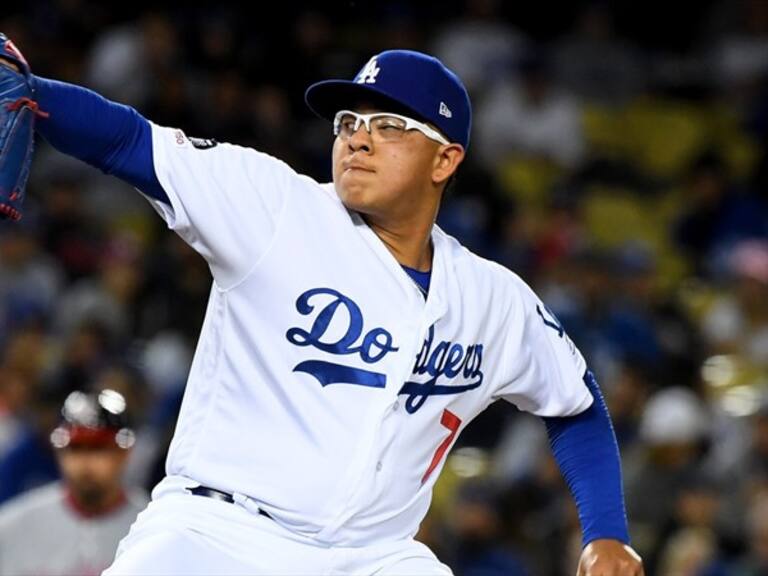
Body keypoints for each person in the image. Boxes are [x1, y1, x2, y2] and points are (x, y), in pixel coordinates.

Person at [0, 33, 643, 575]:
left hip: (375, 557)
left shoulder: (492, 299)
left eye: (389, 126)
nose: (358, 140)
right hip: (218, 533)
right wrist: (35, 94)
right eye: (348, 123)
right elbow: (127, 143)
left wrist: (605, 531)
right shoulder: (278, 208)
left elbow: (576, 402)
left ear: (445, 159)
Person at [0, 388, 148, 575]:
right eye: (75, 448)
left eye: (98, 448)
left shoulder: (154, 526)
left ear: (124, 453)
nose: (85, 462)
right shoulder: (11, 526)